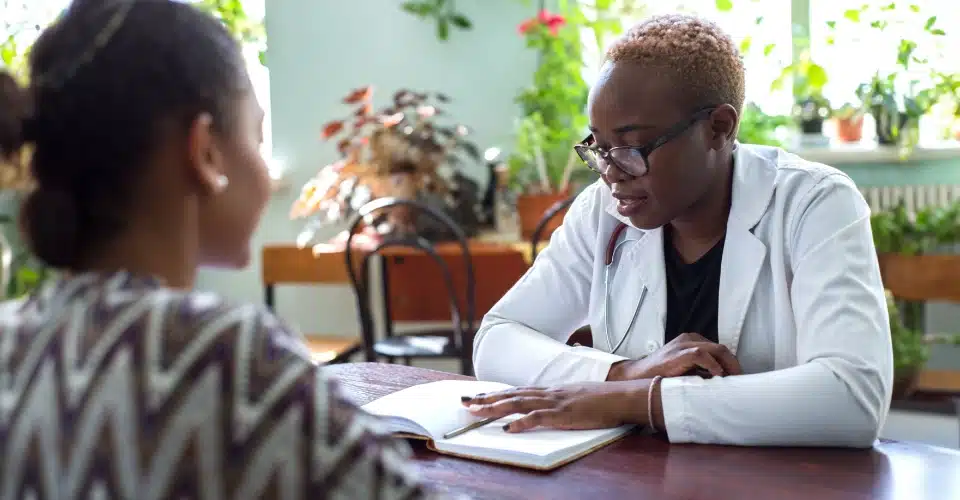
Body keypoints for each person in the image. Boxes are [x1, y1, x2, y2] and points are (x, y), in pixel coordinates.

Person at [0, 1, 441, 498]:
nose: (263, 168)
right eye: (256, 134)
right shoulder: (227, 356)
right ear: (206, 151)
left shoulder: (10, 338)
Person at [465, 14, 893, 447]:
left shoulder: (813, 203)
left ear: (718, 128)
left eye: (632, 146)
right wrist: (622, 373)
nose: (612, 172)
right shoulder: (604, 210)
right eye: (599, 147)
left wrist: (635, 400)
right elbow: (497, 339)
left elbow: (853, 396)